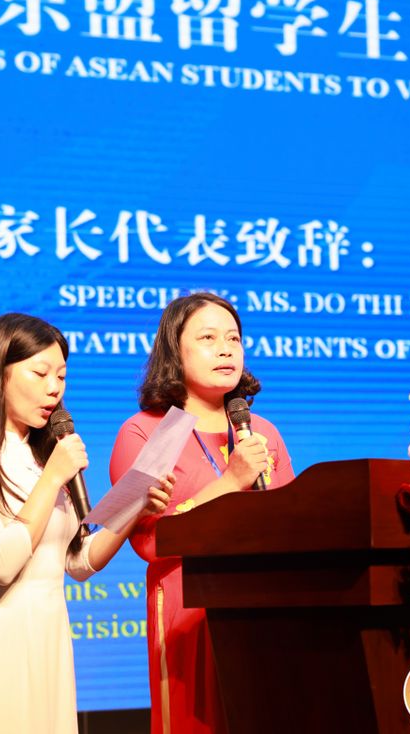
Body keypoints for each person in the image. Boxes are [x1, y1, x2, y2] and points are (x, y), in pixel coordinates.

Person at [0, 313, 172, 734]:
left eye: (61, 376)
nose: (54, 388)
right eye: (40, 373)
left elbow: (77, 561)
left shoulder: (44, 456)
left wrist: (134, 511)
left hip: (46, 634)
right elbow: (0, 563)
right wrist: (53, 477)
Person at [109, 294, 295, 734]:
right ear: (175, 351)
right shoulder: (147, 431)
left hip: (263, 604)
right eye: (208, 338)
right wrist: (230, 482)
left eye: (233, 339)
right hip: (186, 605)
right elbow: (149, 541)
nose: (226, 349)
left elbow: (291, 522)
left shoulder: (261, 431)